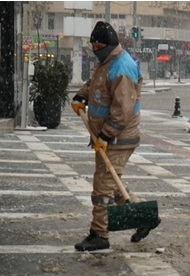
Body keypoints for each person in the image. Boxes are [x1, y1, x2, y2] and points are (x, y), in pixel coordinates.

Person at [71, 21, 159, 251]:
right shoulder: (106, 61)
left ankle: (99, 234)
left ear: (108, 45)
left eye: (98, 47)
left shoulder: (122, 66)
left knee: (102, 186)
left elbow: (123, 110)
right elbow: (96, 84)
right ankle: (144, 218)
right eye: (93, 47)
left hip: (119, 136)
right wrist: (81, 97)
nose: (95, 51)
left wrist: (106, 136)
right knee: (113, 180)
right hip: (107, 135)